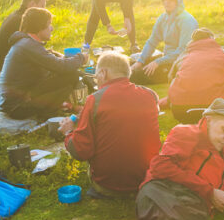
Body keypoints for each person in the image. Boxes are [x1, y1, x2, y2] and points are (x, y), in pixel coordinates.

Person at [59, 51, 161, 199]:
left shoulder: (95, 99)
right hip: (147, 179)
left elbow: (81, 151)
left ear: (103, 73)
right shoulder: (150, 95)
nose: (96, 80)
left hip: (108, 184)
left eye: (96, 76)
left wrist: (68, 132)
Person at [0, 7, 88, 119]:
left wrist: (60, 57)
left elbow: (51, 65)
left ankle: (61, 106)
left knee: (65, 74)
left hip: (11, 102)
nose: (52, 28)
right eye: (49, 24)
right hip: (17, 107)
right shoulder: (28, 45)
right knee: (71, 76)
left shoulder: (25, 42)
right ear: (39, 27)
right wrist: (81, 58)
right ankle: (48, 112)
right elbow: (61, 66)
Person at [166, 29, 224, 124]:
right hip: (218, 111)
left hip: (181, 113)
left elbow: (170, 78)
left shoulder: (183, 56)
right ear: (212, 39)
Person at [130, 0, 198, 85]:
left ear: (178, 1)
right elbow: (152, 42)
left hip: (180, 64)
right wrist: (140, 62)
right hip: (166, 59)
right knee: (127, 66)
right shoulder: (163, 18)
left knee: (135, 76)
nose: (167, 2)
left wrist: (158, 62)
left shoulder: (187, 20)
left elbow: (183, 51)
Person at [0, 0, 49, 72]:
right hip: (12, 70)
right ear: (32, 4)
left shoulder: (15, 15)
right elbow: (34, 49)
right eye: (42, 6)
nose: (44, 10)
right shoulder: (22, 20)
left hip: (7, 66)